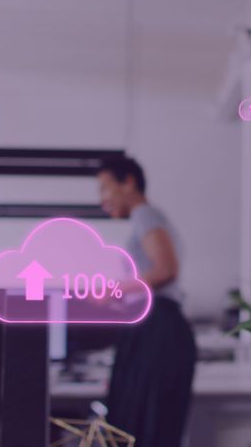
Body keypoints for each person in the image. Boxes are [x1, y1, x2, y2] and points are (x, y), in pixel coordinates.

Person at [97, 154, 196, 447]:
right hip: (155, 328)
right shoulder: (149, 218)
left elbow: (166, 270)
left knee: (143, 428)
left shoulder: (145, 215)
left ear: (128, 183)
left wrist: (114, 290)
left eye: (105, 188)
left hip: (158, 330)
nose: (102, 200)